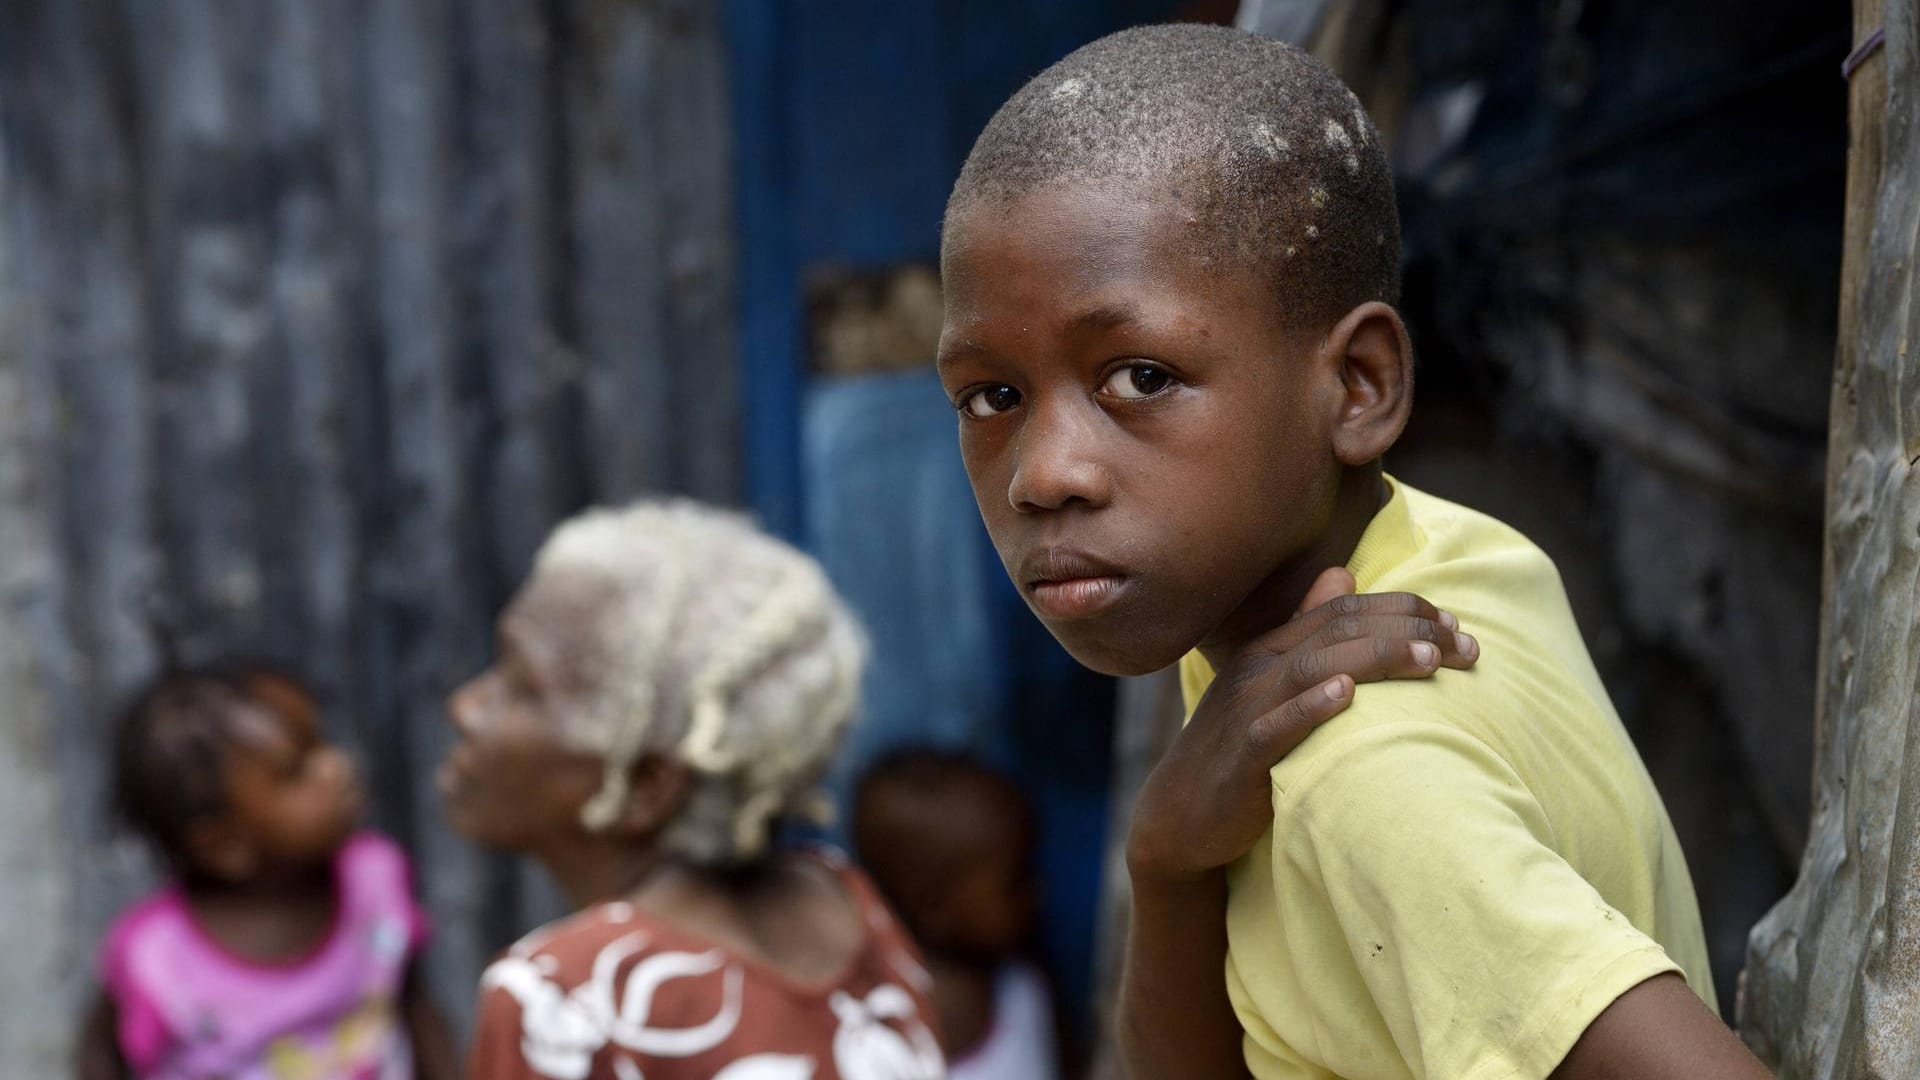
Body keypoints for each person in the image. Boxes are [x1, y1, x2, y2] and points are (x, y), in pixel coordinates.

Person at [934, 22, 1772, 1080]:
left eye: (1140, 377)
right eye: (991, 397)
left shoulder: (1365, 767)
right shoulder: (1438, 558)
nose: (1043, 473)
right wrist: (1167, 861)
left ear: (1360, 385)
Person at [444, 500, 945, 1080]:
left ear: (647, 785)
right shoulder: (842, 902)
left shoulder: (559, 1000)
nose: (466, 708)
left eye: (523, 688)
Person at [78, 666, 456, 1080]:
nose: (337, 767)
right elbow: (103, 1056)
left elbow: (412, 1005)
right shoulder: (158, 954)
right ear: (224, 844)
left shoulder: (375, 879)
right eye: (296, 770)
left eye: (322, 742)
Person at [852, 751, 1057, 1079]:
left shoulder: (1021, 984)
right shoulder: (905, 1021)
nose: (1038, 888)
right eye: (1017, 878)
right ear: (937, 912)